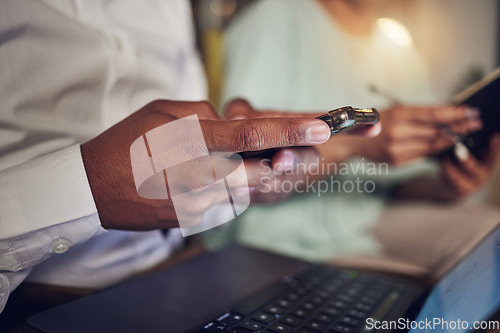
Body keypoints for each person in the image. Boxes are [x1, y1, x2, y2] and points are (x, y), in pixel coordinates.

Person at [0, 0, 385, 316]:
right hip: (35, 301)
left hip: (185, 271)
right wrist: (90, 191)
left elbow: (184, 154)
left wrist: (241, 169)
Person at [202, 0, 500, 266]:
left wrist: (444, 188)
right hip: (279, 231)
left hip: (368, 214)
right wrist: (355, 142)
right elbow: (244, 164)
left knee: (492, 233)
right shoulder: (275, 17)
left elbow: (396, 181)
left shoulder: (403, 56)